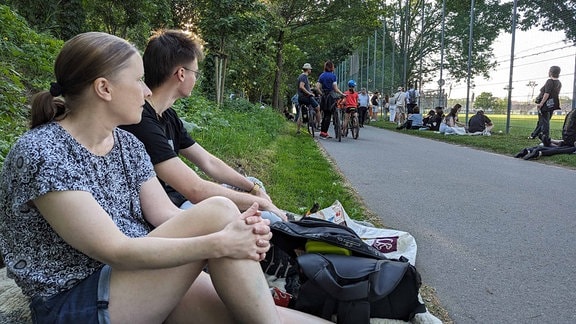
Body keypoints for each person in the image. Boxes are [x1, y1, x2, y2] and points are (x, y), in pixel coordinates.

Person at [0, 31, 330, 324]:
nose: (146, 91)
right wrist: (220, 241)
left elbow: (167, 215)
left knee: (258, 310)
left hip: (134, 278)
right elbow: (115, 249)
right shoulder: (43, 154)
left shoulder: (126, 145)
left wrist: (238, 227)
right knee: (219, 215)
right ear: (104, 88)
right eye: (139, 80)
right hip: (77, 302)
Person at [121, 30, 286, 223]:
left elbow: (208, 161)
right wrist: (262, 203)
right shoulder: (141, 121)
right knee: (268, 217)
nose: (196, 79)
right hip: (171, 210)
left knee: (252, 183)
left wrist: (253, 190)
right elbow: (195, 189)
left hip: (184, 200)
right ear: (181, 74)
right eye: (196, 73)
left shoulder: (168, 116)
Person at [529, 66, 562, 141]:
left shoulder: (549, 81)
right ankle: (534, 135)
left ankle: (545, 137)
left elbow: (547, 93)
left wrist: (541, 103)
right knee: (543, 121)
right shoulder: (559, 83)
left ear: (550, 72)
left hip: (545, 104)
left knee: (544, 122)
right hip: (552, 104)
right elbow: (556, 94)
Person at [317, 60, 345, 139]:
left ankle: (323, 132)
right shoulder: (333, 76)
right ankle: (326, 132)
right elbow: (335, 89)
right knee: (330, 114)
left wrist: (321, 94)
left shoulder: (322, 76)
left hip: (324, 97)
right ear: (332, 67)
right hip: (331, 96)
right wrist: (342, 94)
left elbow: (317, 87)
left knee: (325, 114)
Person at [295, 63, 321, 134]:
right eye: (310, 69)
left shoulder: (300, 76)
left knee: (300, 113)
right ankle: (319, 125)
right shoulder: (304, 76)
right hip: (306, 97)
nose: (311, 70)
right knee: (317, 108)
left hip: (300, 97)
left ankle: (298, 130)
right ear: (307, 70)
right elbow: (301, 86)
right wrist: (309, 93)